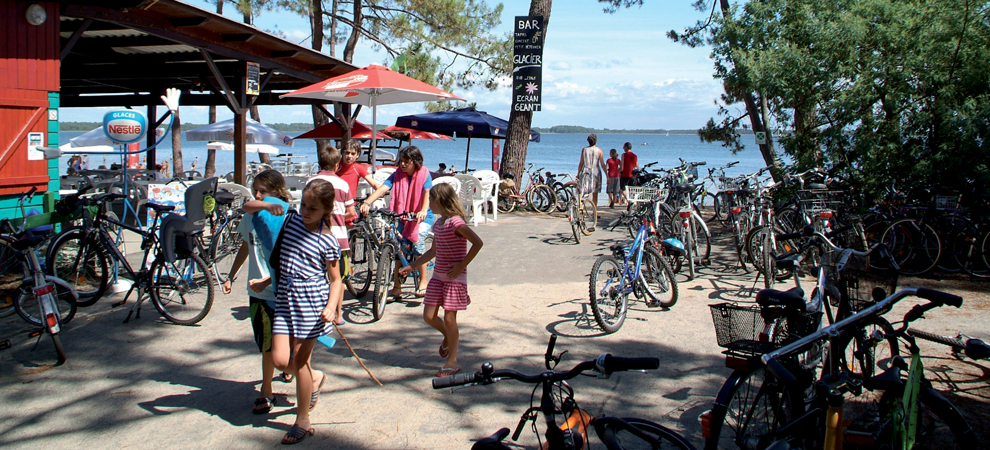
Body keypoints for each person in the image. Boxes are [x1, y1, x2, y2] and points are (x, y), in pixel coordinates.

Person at [249, 179, 343, 445]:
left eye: (312, 208)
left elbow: (336, 280)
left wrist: (331, 307)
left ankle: (302, 420)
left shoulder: (327, 239)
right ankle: (315, 378)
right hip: (285, 301)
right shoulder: (291, 221)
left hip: (311, 307)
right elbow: (285, 261)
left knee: (300, 362)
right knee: (280, 360)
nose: (305, 212)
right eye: (303, 205)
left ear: (326, 210)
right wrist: (266, 281)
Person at [220, 169, 292, 416]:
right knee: (266, 344)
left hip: (283, 289)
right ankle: (267, 390)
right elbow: (245, 246)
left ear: (277, 192)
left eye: (264, 191)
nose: (258, 195)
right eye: (255, 191)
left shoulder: (286, 217)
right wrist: (231, 276)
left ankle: (291, 367)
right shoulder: (251, 216)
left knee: (288, 340)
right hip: (258, 292)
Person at [398, 183, 483, 377]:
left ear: (438, 201)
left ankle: (452, 361)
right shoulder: (438, 224)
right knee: (428, 316)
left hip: (455, 278)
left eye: (430, 200)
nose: (428, 204)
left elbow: (478, 243)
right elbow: (433, 251)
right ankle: (448, 336)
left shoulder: (456, 223)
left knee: (450, 318)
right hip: (438, 277)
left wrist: (462, 264)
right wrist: (412, 266)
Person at [360, 146, 433, 299]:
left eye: (407, 162)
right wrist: (367, 202)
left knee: (417, 245)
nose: (403, 164)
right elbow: (382, 189)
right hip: (403, 215)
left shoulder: (424, 174)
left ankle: (423, 282)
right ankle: (396, 287)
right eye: (401, 161)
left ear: (415, 162)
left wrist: (423, 210)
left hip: (422, 217)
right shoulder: (397, 174)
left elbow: (427, 193)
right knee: (398, 248)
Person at [308, 146, 355, 326]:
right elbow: (351, 212)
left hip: (314, 236)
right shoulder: (342, 184)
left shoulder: (311, 181)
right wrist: (339, 216)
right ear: (337, 165)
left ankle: (314, 309)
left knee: (316, 274)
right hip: (338, 237)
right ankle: (337, 314)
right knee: (338, 278)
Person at [336, 140, 381, 210]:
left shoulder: (358, 168)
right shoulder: (336, 167)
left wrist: (367, 202)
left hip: (351, 205)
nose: (349, 156)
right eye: (347, 153)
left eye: (353, 154)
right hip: (336, 205)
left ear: (357, 155)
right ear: (342, 153)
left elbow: (375, 185)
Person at [577, 133, 607, 207]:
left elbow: (581, 163)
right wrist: (607, 175)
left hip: (586, 170)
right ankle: (594, 209)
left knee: (583, 190)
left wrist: (578, 173)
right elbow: (602, 164)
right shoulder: (599, 150)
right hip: (596, 171)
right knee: (595, 193)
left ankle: (581, 207)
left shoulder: (584, 150)